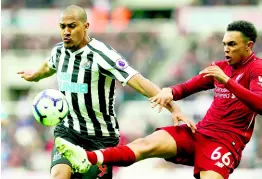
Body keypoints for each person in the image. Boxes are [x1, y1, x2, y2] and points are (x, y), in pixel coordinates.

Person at [55, 20, 262, 179]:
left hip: (225, 144)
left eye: (232, 44)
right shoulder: (220, 67)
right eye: (224, 44)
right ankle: (88, 158)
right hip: (199, 132)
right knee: (146, 144)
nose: (226, 48)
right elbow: (186, 87)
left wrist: (226, 81)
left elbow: (259, 104)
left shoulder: (256, 69)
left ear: (249, 46)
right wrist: (169, 92)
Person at [17, 5, 194, 179]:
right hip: (68, 131)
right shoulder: (59, 51)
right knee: (59, 175)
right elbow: (50, 65)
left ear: (85, 27)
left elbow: (139, 82)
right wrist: (36, 75)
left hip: (100, 138)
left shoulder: (102, 55)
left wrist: (173, 107)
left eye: (72, 26)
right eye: (62, 27)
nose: (66, 32)